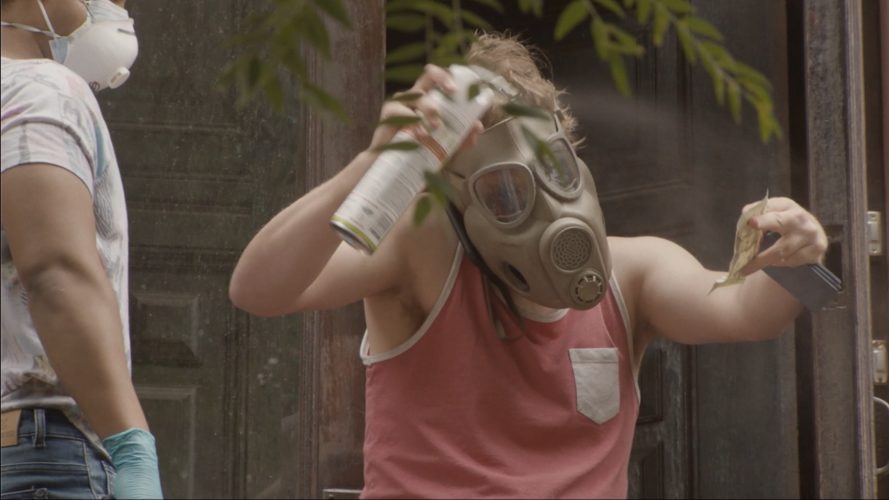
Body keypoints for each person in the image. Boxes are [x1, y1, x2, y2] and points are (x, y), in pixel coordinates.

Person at [229, 33, 827, 499]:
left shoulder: (632, 273)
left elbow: (748, 313)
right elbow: (257, 290)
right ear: (457, 200)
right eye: (504, 193)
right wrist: (371, 164)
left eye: (553, 171)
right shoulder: (421, 256)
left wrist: (799, 258)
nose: (543, 208)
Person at [1, 0, 162, 497]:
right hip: (42, 455)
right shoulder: (40, 89)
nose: (119, 8)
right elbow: (55, 272)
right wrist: (131, 444)